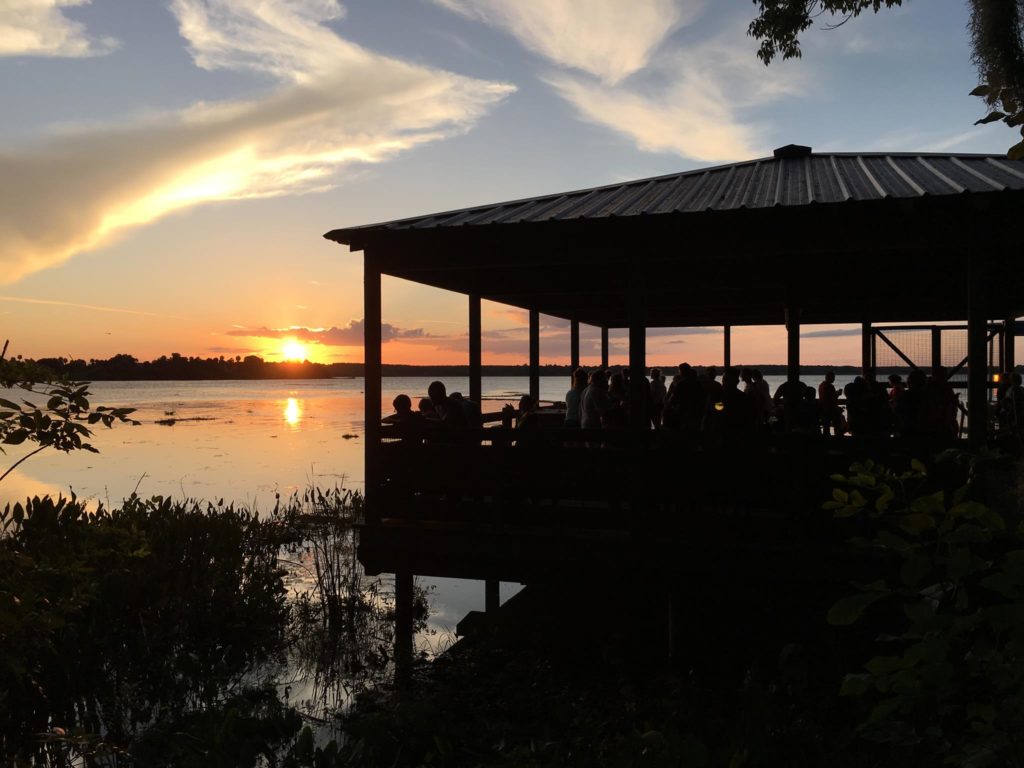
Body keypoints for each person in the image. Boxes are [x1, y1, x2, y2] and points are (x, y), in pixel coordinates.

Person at [818, 370, 844, 436]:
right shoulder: (830, 386)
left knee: (826, 427)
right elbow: (833, 398)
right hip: (831, 410)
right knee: (837, 424)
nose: (834, 379)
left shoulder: (821, 385)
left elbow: (828, 396)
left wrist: (836, 393)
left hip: (823, 409)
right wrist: (838, 393)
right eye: (833, 377)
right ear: (830, 377)